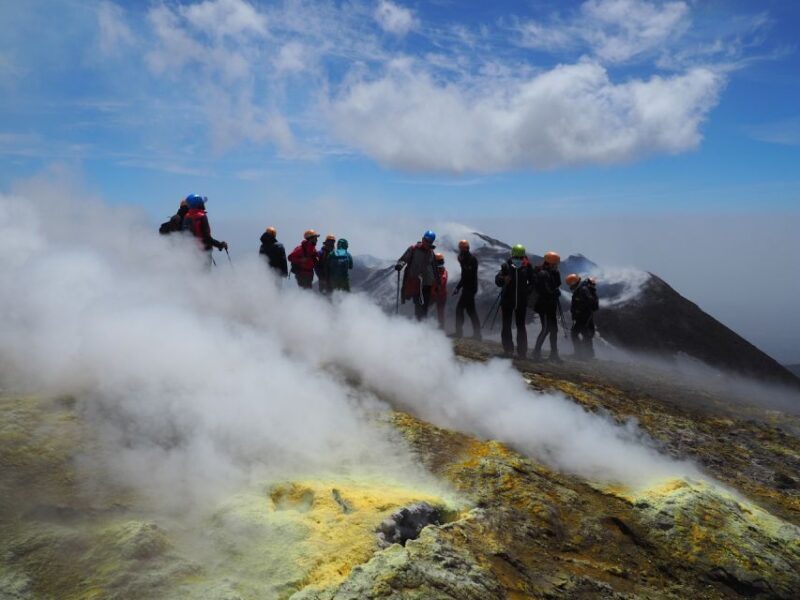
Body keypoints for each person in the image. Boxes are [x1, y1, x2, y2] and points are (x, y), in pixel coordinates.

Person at [495, 244, 534, 358]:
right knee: (508, 325)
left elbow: (533, 282)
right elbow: (498, 280)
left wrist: (527, 292)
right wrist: (503, 279)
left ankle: (521, 352)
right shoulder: (506, 266)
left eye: (519, 257)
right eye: (517, 257)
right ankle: (510, 350)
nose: (518, 259)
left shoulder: (527, 267)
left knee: (519, 326)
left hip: (520, 302)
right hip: (508, 301)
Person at [395, 231, 438, 321]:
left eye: (429, 241)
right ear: (422, 239)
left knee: (424, 306)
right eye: (426, 240)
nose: (427, 242)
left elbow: (434, 268)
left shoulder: (431, 253)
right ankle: (419, 324)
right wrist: (400, 265)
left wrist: (437, 282)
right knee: (418, 305)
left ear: (431, 242)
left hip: (427, 284)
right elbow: (404, 259)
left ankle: (421, 325)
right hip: (416, 283)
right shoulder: (413, 249)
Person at [532, 251, 562, 362]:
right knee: (546, 329)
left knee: (554, 330)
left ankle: (554, 354)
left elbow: (555, 285)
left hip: (550, 305)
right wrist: (554, 292)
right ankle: (536, 352)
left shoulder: (552, 273)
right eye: (556, 263)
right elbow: (546, 290)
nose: (557, 266)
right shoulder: (543, 273)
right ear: (551, 263)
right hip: (544, 306)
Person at [181, 194, 228, 261]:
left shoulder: (186, 217)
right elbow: (207, 238)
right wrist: (220, 245)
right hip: (204, 253)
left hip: (191, 253)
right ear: (199, 204)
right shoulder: (202, 216)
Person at [566, 274, 599, 360]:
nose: (570, 286)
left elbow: (589, 302)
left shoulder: (582, 290)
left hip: (584, 316)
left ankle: (582, 354)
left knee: (576, 334)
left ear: (574, 283)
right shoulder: (582, 289)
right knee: (585, 334)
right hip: (584, 315)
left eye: (570, 284)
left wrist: (579, 310)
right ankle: (587, 354)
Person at [453, 239, 481, 340]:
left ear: (466, 248)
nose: (460, 250)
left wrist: (459, 287)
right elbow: (464, 276)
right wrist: (458, 287)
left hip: (470, 288)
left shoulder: (471, 260)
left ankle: (459, 333)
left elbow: (468, 276)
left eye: (462, 248)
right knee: (471, 311)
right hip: (468, 288)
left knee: (459, 309)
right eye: (460, 248)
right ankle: (477, 335)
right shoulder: (464, 259)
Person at [431, 252, 448, 330]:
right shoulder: (443, 271)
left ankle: (440, 328)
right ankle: (440, 328)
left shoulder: (442, 272)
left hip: (439, 295)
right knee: (440, 312)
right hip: (440, 295)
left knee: (439, 312)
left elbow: (440, 282)